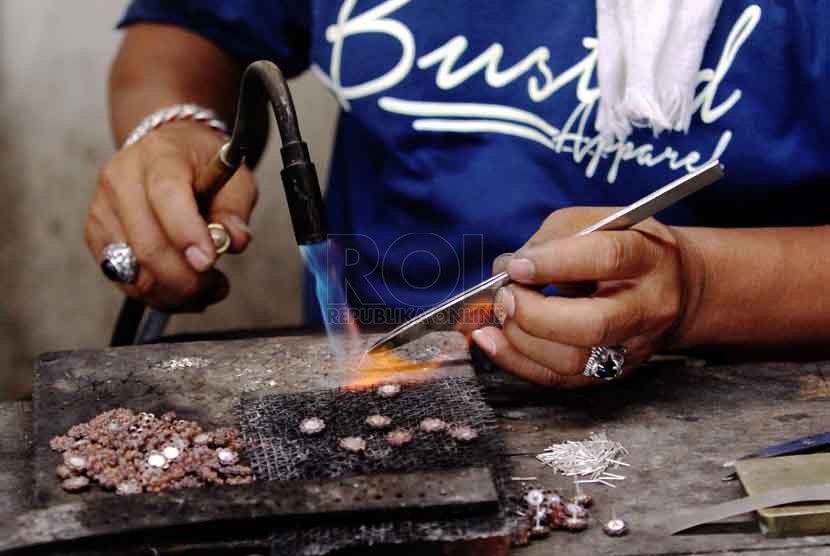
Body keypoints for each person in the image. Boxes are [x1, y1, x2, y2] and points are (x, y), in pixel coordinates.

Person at [86, 1, 830, 389]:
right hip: (382, 362)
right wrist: (170, 128)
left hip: (730, 402)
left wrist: (700, 290)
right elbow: (187, 29)